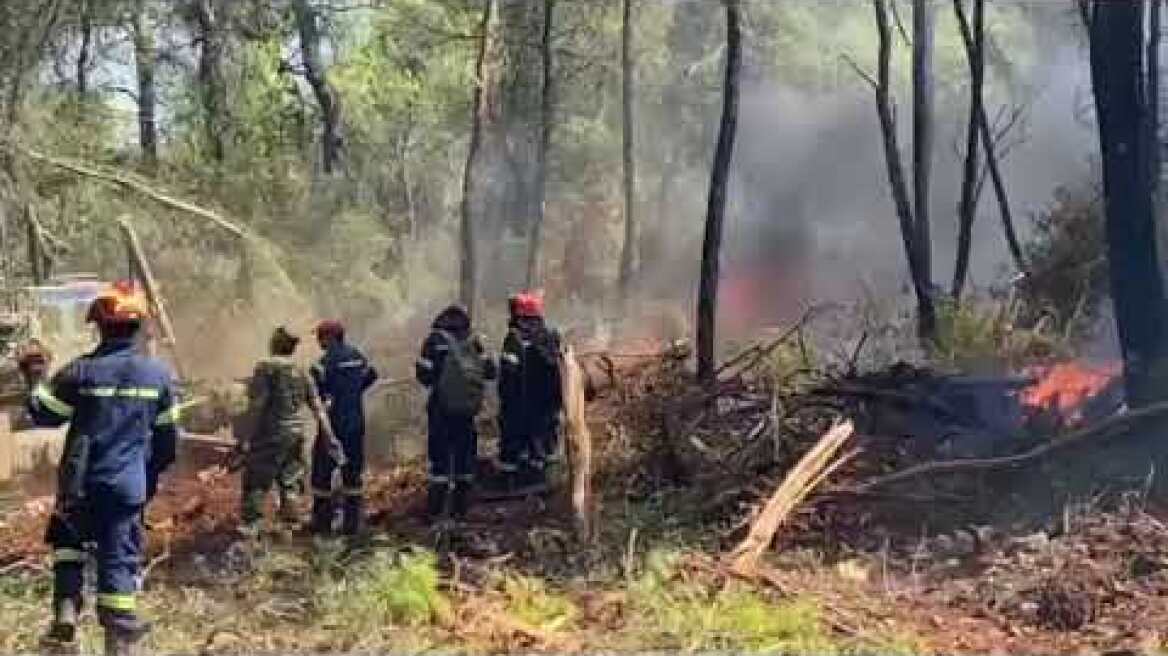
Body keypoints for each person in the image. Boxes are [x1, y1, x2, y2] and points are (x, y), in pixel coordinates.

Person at [19, 280, 180, 655]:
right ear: (138, 326)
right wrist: (145, 480)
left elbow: (44, 414)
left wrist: (35, 376)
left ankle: (65, 616)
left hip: (80, 483)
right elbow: (167, 445)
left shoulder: (81, 372)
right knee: (118, 560)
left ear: (100, 326)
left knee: (68, 543)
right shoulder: (158, 376)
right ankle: (119, 641)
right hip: (126, 486)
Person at [239, 326, 341, 538]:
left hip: (270, 435)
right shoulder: (303, 370)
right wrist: (329, 436)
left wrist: (245, 436)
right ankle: (290, 531)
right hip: (296, 435)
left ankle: (251, 533)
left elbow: (257, 405)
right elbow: (317, 406)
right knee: (290, 483)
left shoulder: (266, 367)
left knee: (256, 483)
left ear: (275, 343)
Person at [414, 304, 496, 522]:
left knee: (440, 459)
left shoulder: (434, 341)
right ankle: (461, 509)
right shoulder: (473, 341)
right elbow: (490, 371)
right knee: (465, 456)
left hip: (441, 408)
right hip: (467, 411)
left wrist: (441, 381)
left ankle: (436, 510)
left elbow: (423, 375)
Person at [308, 319, 378, 536]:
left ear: (329, 337)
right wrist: (353, 391)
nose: (319, 341)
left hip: (333, 425)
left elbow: (314, 393)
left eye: (320, 336)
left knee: (322, 473)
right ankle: (352, 525)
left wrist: (331, 397)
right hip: (356, 423)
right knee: (353, 473)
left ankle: (322, 524)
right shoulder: (357, 356)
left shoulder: (323, 363)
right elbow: (372, 375)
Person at [496, 291, 563, 491]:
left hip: (519, 407)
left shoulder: (513, 339)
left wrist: (506, 403)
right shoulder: (550, 336)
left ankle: (509, 484)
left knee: (513, 447)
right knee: (543, 445)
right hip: (548, 407)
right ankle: (543, 481)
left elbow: (507, 377)